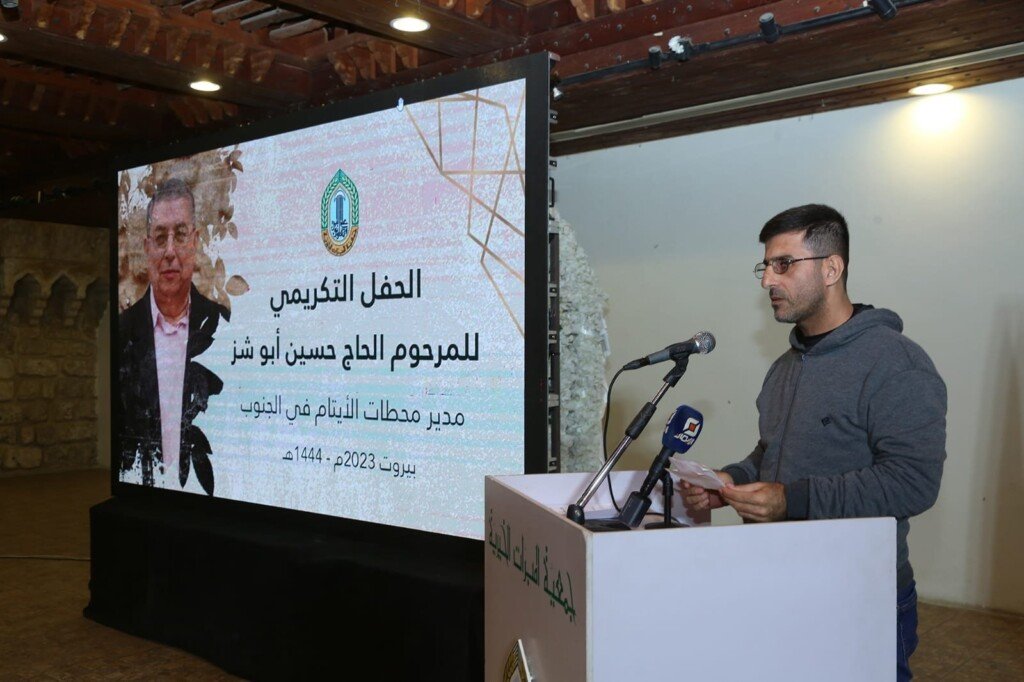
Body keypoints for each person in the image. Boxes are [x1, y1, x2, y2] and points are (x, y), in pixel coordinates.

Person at [681, 204, 946, 681]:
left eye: (784, 264)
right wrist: (729, 482)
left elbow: (913, 483)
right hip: (779, 582)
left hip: (858, 594)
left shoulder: (896, 363)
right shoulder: (786, 366)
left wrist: (792, 501)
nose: (768, 280)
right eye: (765, 266)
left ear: (831, 269)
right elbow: (772, 453)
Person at [118, 178, 228, 495]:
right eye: (159, 237)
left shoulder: (222, 326)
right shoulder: (122, 333)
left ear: (195, 242)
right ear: (146, 247)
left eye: (179, 235)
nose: (169, 251)